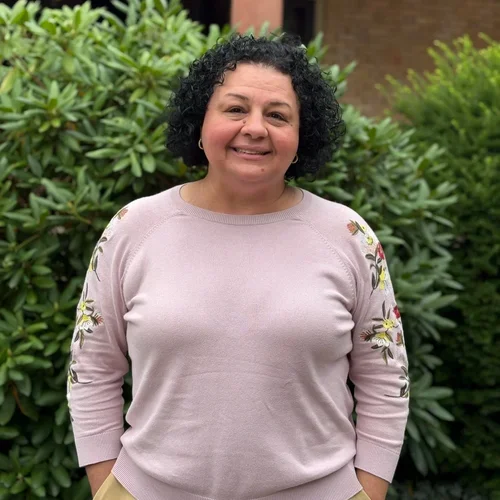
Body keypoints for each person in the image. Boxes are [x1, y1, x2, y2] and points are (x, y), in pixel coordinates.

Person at [67, 33, 409, 500]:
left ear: (301, 136)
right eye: (235, 109)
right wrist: (106, 486)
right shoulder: (133, 229)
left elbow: (386, 378)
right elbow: (91, 368)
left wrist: (368, 490)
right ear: (200, 123)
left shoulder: (348, 236)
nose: (255, 128)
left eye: (278, 115)